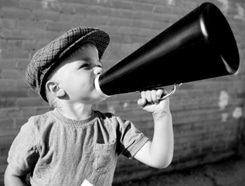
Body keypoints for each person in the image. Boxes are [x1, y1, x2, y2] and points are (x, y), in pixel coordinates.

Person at [4, 27, 174, 186]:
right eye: (85, 65)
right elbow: (13, 175)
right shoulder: (37, 130)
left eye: (99, 65)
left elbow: (159, 159)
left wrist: (161, 115)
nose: (99, 70)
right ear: (57, 88)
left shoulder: (114, 127)